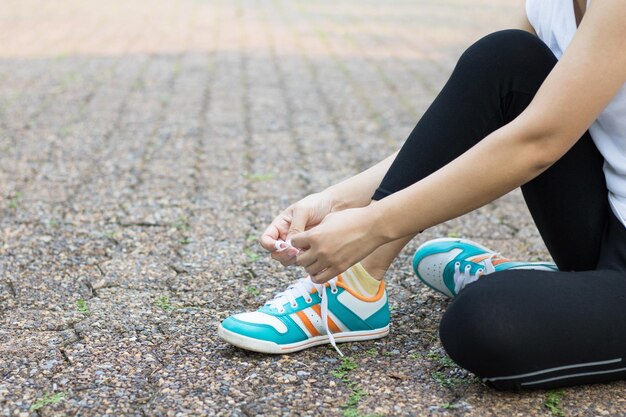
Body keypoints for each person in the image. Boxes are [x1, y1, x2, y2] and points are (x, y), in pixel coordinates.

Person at [218, 0, 626, 390]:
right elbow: (465, 130)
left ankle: (552, 288)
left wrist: (372, 226)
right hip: (608, 225)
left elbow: (538, 141)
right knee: (504, 57)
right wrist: (337, 200)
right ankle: (356, 290)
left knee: (485, 321)